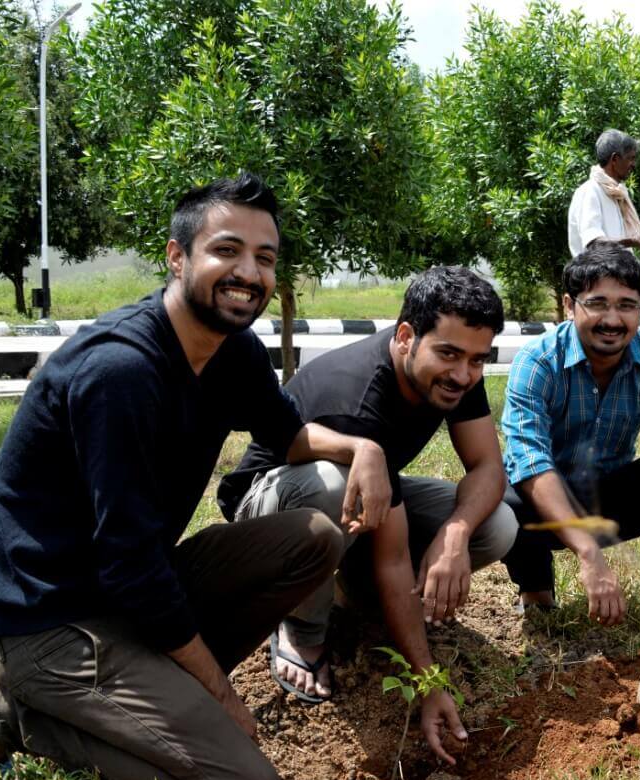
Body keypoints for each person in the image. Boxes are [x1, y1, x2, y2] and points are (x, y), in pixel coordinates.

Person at [0, 174, 402, 780]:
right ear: (177, 256)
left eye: (265, 258)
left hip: (127, 595)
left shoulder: (233, 352)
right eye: (227, 251)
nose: (248, 272)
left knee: (314, 540)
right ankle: (11, 716)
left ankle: (149, 695)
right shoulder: (120, 372)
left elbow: (289, 436)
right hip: (47, 622)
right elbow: (131, 567)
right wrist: (222, 694)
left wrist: (364, 449)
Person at [217, 267, 516, 732]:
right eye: (449, 354)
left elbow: (488, 468)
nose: (463, 374)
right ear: (405, 337)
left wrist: (454, 535)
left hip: (367, 481)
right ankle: (300, 625)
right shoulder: (359, 398)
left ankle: (355, 596)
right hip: (265, 512)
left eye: (477, 360)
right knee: (332, 487)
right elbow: (394, 558)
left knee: (496, 523)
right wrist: (427, 682)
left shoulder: (460, 376)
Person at [501, 244, 640, 628]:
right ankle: (536, 594)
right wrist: (590, 555)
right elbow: (530, 459)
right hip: (542, 503)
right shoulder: (538, 361)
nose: (612, 319)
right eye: (597, 303)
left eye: (626, 305)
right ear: (570, 306)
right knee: (502, 499)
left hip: (608, 496)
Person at [567, 129, 640, 257]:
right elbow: (594, 245)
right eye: (630, 158)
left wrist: (636, 243)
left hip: (615, 275)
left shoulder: (616, 194)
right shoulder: (589, 191)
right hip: (595, 276)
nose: (633, 165)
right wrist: (632, 241)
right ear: (615, 159)